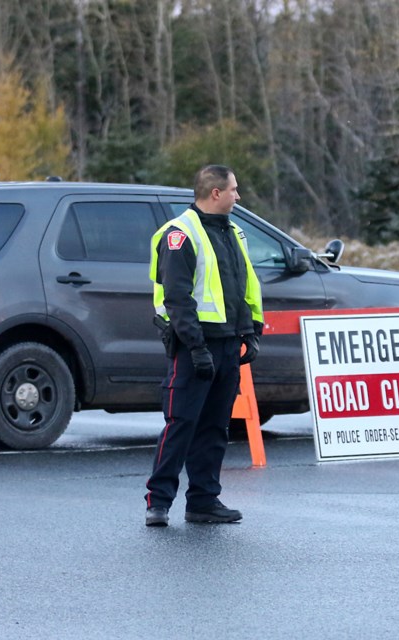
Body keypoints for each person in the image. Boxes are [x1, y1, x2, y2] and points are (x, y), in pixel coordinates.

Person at [144, 164, 264, 527]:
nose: (238, 196)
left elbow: (243, 285)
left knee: (214, 427)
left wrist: (250, 331)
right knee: (181, 423)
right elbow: (177, 298)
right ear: (215, 193)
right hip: (193, 344)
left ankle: (203, 501)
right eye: (233, 190)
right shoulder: (180, 234)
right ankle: (158, 502)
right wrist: (195, 347)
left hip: (228, 342)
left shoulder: (233, 232)